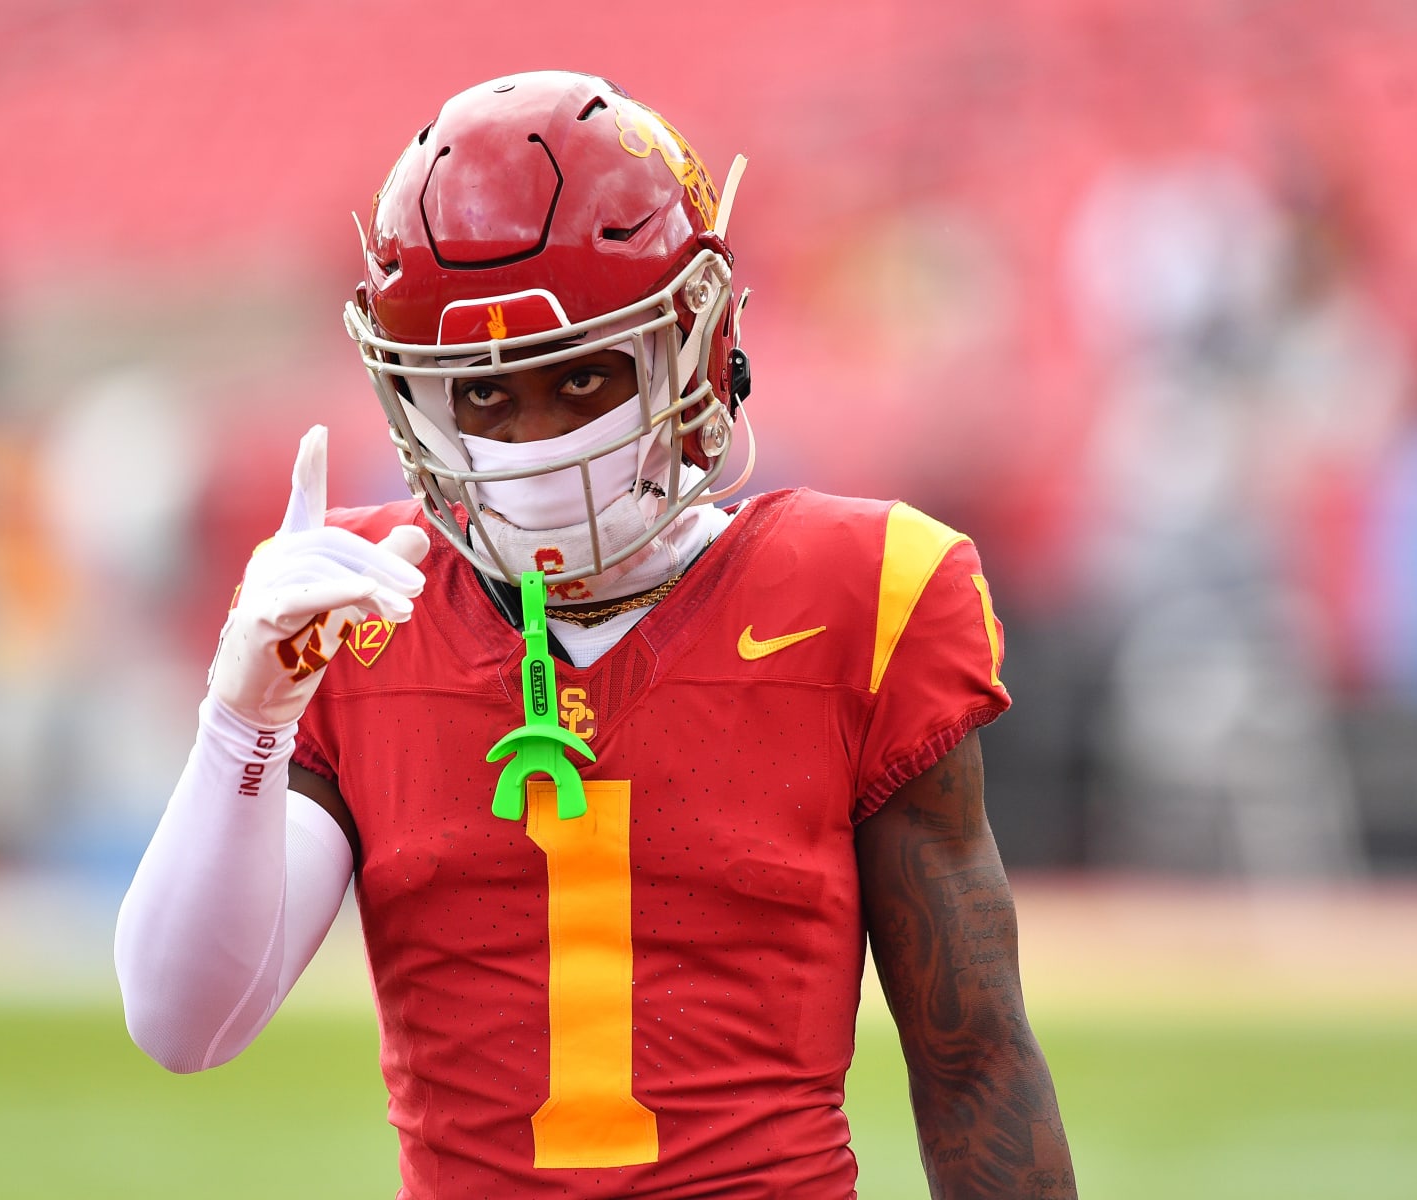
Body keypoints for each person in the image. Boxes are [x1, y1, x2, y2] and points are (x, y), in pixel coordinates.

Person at [115, 70, 1076, 1200]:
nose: (534, 440)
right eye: (482, 395)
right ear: (415, 401)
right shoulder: (374, 605)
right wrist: (243, 723)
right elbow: (185, 1021)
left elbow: (971, 1058)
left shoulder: (858, 593)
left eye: (581, 378)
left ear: (697, 342)